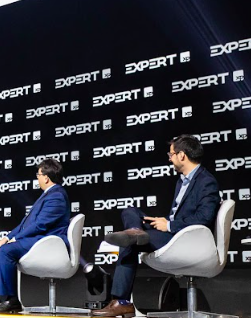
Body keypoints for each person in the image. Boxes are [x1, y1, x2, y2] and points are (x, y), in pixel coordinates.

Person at [94, 134, 221, 317]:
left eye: (171, 154)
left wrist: (169, 225)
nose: (169, 159)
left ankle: (121, 301)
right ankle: (136, 230)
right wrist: (162, 221)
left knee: (129, 242)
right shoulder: (182, 181)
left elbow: (204, 218)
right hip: (172, 231)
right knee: (130, 212)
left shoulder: (206, 181)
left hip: (182, 239)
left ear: (182, 155)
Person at [0, 159, 70, 313]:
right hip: (37, 239)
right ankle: (4, 299)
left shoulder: (56, 196)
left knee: (6, 251)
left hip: (48, 242)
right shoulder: (47, 195)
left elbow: (40, 225)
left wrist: (14, 239)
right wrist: (6, 238)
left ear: (46, 177)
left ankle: (12, 300)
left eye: (38, 175)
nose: (37, 178)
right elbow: (24, 224)